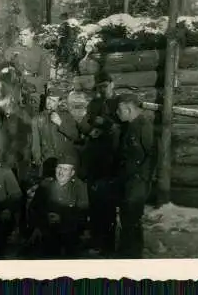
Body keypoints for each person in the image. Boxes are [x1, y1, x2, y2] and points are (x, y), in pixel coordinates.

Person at [78, 70, 122, 256]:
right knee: (94, 201)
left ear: (112, 84)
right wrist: (90, 131)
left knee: (108, 204)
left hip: (111, 161)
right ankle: (96, 239)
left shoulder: (120, 104)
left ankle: (109, 244)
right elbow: (84, 124)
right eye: (99, 87)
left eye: (105, 86)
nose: (102, 90)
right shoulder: (94, 104)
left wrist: (105, 124)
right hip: (94, 159)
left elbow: (122, 128)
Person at [115, 93, 154, 259]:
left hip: (137, 181)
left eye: (119, 110)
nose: (117, 114)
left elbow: (152, 154)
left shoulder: (143, 125)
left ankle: (132, 255)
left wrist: (142, 178)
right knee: (127, 217)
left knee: (132, 218)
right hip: (129, 179)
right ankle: (127, 252)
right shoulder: (130, 125)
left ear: (128, 109)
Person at [28, 154, 89, 258]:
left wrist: (63, 218)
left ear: (72, 172)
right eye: (59, 168)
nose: (61, 172)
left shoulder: (79, 187)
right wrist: (44, 219)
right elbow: (34, 208)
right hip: (47, 231)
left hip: (71, 233)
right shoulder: (46, 185)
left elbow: (82, 212)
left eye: (65, 169)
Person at [31, 87, 80, 181]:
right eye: (48, 99)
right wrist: (38, 161)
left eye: (53, 100)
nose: (49, 102)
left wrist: (60, 123)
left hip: (64, 162)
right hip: (47, 162)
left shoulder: (66, 116)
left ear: (59, 102)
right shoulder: (37, 119)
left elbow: (75, 136)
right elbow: (35, 143)